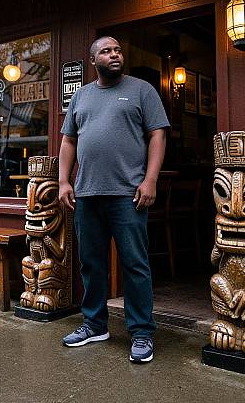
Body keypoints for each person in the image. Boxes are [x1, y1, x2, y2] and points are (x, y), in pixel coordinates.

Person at [58, 36, 169, 363]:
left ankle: (142, 332)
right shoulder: (80, 96)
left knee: (135, 263)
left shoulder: (142, 90)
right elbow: (68, 142)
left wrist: (150, 179)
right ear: (94, 60)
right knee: (91, 263)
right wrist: (64, 180)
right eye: (106, 51)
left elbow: (157, 135)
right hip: (87, 194)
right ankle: (94, 324)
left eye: (118, 49)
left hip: (127, 194)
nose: (114, 54)